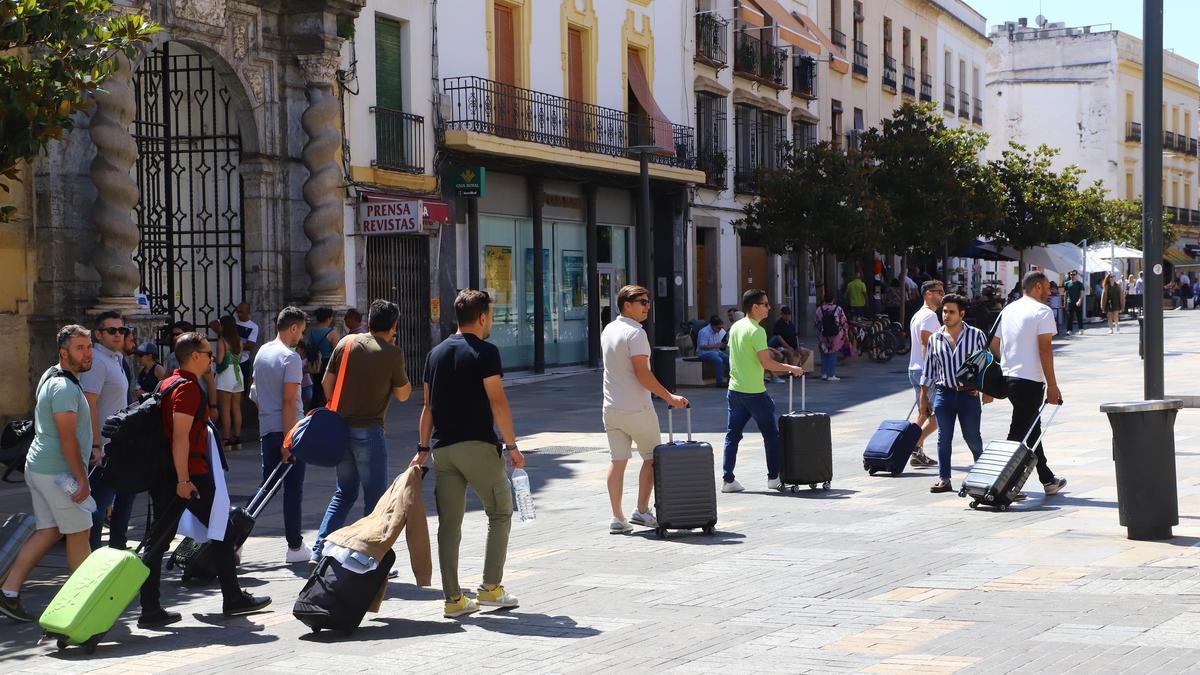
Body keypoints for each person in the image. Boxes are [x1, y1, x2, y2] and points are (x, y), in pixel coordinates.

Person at [138, 332, 271, 627]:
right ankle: (231, 599)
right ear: (195, 356)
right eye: (209, 354)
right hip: (188, 474)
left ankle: (151, 608)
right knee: (218, 530)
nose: (212, 359)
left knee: (160, 541)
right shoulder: (187, 389)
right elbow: (181, 437)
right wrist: (184, 480)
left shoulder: (167, 383)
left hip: (168, 473)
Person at [410, 290, 522, 619]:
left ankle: (454, 599)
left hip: (443, 450)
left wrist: (422, 448)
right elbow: (498, 402)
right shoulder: (486, 352)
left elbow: (427, 407)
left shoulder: (435, 354)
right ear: (483, 317)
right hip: (476, 445)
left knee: (449, 524)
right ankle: (490, 588)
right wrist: (512, 445)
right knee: (500, 510)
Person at [0, 326, 95, 622]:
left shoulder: (53, 375)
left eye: (89, 346)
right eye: (80, 348)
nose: (87, 353)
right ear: (63, 353)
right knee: (79, 532)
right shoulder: (64, 387)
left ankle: (8, 592)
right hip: (57, 473)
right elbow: (67, 438)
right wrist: (81, 478)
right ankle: (84, 604)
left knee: (49, 530)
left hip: (40, 468)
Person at [311, 299, 411, 563]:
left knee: (343, 492)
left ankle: (320, 549)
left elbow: (326, 383)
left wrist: (341, 410)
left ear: (369, 321)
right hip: (369, 431)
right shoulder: (392, 353)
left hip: (340, 430)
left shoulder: (346, 343)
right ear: (393, 326)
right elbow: (403, 394)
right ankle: (369, 558)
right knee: (375, 500)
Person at [600, 286, 688, 534]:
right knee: (651, 458)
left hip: (611, 407)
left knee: (617, 462)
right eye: (642, 302)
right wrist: (669, 396)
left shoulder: (609, 329)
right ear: (626, 305)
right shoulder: (636, 334)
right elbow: (643, 374)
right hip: (637, 408)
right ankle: (641, 509)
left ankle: (617, 517)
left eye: (648, 302)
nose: (647, 306)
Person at [990, 271, 1067, 498]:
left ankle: (1046, 478)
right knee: (1020, 433)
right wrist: (1052, 385)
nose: (1050, 290)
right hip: (1030, 380)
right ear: (1036, 287)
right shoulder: (1042, 312)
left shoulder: (1009, 309)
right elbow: (1045, 349)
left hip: (1009, 377)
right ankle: (998, 482)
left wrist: (1009, 361)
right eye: (1047, 286)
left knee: (1029, 429)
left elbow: (994, 344)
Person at [721, 289, 805, 493]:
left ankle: (728, 480)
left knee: (732, 435)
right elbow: (766, 362)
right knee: (771, 435)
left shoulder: (736, 327)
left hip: (735, 390)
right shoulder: (757, 331)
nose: (769, 307)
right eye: (765, 304)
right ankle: (773, 477)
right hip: (755, 393)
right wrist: (791, 368)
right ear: (754, 307)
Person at [253, 306, 310, 563]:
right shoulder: (291, 358)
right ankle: (295, 547)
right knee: (293, 490)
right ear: (293, 328)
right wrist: (289, 441)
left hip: (267, 427)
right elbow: (289, 402)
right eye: (301, 331)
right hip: (289, 431)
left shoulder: (262, 353)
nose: (301, 337)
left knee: (266, 489)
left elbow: (254, 392)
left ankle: (235, 536)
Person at [919, 294, 989, 493]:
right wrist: (923, 397)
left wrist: (985, 389)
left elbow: (987, 364)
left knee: (972, 437)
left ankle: (983, 475)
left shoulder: (976, 336)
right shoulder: (935, 338)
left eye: (951, 312)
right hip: (944, 394)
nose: (946, 315)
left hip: (969, 395)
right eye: (944, 311)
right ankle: (944, 478)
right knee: (944, 437)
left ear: (962, 314)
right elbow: (929, 370)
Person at [81, 311, 135, 551]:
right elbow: (89, 403)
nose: (117, 335)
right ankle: (90, 556)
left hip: (122, 445)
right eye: (111, 330)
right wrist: (95, 444)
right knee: (99, 506)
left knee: (126, 497)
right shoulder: (98, 362)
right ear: (98, 334)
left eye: (121, 330)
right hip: (104, 448)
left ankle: (118, 549)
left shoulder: (117, 359)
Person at [907, 281, 943, 469]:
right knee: (940, 413)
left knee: (925, 413)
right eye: (939, 292)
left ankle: (916, 449)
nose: (942, 295)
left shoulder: (918, 315)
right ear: (928, 294)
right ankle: (913, 445)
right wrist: (932, 371)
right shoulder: (929, 316)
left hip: (915, 369)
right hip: (925, 371)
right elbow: (926, 343)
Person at [165, 320, 218, 419]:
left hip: (199, 402)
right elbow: (166, 378)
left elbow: (211, 382)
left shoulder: (202, 358)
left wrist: (213, 406)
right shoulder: (172, 357)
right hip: (179, 401)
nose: (174, 337)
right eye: (173, 334)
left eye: (178, 334)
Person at [214, 316, 245, 447]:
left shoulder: (222, 341)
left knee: (225, 408)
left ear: (223, 326)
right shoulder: (239, 341)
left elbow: (220, 360)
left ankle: (226, 439)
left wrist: (212, 358)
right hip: (237, 373)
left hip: (226, 374)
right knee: (236, 407)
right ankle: (237, 438)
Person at [304, 307, 338, 409]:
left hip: (315, 363)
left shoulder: (311, 332)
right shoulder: (331, 333)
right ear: (328, 318)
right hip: (328, 363)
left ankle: (313, 410)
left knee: (317, 389)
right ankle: (325, 410)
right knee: (327, 389)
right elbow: (337, 350)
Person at [813, 294, 847, 381]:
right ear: (833, 299)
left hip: (823, 334)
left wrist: (819, 334)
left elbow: (816, 323)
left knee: (824, 353)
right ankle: (831, 374)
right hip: (835, 334)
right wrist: (845, 332)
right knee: (833, 353)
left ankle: (824, 373)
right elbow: (843, 321)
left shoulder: (819, 309)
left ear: (824, 300)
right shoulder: (838, 309)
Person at [695, 316, 730, 387]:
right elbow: (702, 346)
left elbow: (718, 345)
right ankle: (719, 382)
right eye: (719, 328)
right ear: (713, 326)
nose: (720, 330)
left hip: (716, 351)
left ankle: (730, 381)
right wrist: (716, 345)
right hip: (704, 353)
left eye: (721, 328)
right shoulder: (704, 332)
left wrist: (722, 345)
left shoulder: (717, 331)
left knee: (728, 359)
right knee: (718, 360)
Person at [235, 302, 260, 386]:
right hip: (230, 361)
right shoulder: (233, 322)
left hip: (243, 361)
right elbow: (213, 324)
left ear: (248, 312)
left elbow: (250, 346)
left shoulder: (253, 326)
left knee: (242, 386)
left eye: (241, 312)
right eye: (238, 311)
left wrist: (231, 344)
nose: (239, 314)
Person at [1063, 270, 1085, 335]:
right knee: (1069, 316)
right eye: (1071, 274)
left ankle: (1081, 329)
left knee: (1079, 316)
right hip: (1070, 301)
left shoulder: (1080, 284)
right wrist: (1065, 303)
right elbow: (1065, 293)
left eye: (1074, 274)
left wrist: (1079, 300)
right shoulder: (1067, 283)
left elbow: (1082, 293)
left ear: (1076, 275)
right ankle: (1069, 330)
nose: (1072, 276)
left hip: (1077, 302)